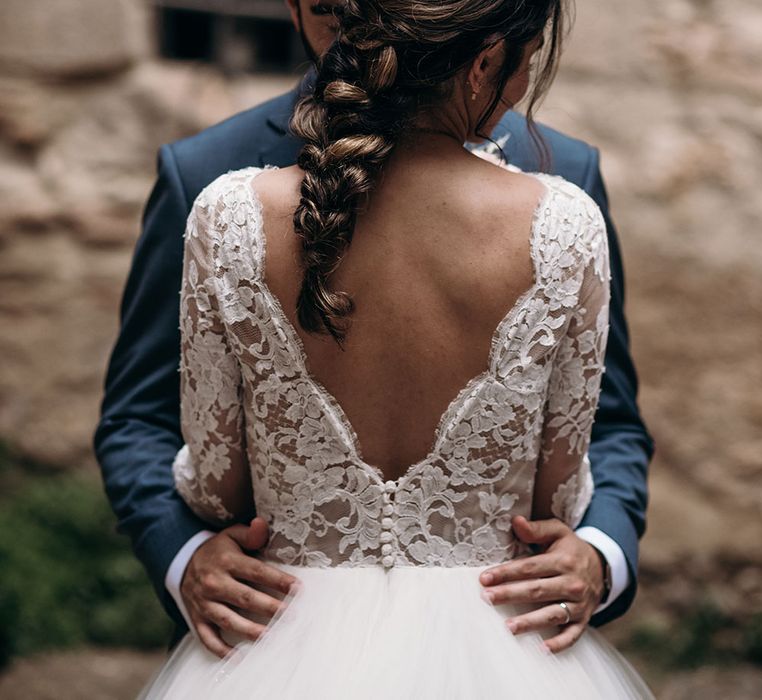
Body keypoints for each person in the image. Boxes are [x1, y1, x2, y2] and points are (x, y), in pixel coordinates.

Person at [94, 0, 653, 675]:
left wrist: (599, 552)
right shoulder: (203, 173)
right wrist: (184, 554)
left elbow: (613, 421)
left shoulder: (570, 174)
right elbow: (136, 417)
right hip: (299, 629)